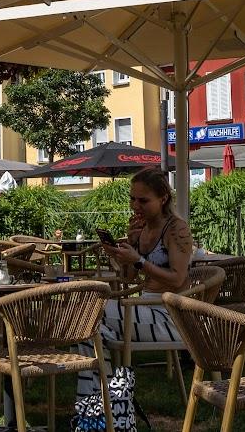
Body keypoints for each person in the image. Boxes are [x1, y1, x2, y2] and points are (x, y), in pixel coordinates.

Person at [76, 168, 193, 404]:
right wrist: (125, 254)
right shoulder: (142, 229)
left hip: (172, 318)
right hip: (144, 308)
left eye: (143, 200)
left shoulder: (176, 229)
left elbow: (177, 279)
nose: (135, 205)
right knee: (88, 326)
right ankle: (105, 404)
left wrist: (138, 260)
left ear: (163, 199)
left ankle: (101, 403)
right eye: (132, 199)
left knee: (87, 319)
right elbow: (130, 279)